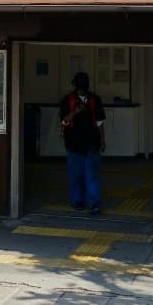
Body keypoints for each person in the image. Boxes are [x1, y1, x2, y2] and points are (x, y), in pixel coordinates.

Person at [59, 72, 106, 214]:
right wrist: (75, 112)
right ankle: (81, 202)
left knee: (89, 175)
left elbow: (99, 122)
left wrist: (102, 141)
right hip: (74, 144)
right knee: (78, 176)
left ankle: (90, 203)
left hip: (90, 144)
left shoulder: (94, 100)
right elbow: (64, 121)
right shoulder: (67, 100)